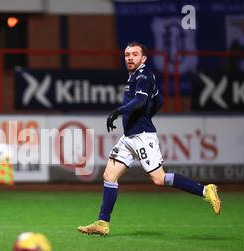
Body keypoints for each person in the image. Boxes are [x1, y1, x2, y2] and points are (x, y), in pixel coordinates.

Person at [77, 41, 221, 237]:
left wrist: (118, 112)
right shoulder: (135, 76)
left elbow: (140, 100)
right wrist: (146, 115)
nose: (130, 57)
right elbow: (159, 100)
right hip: (129, 137)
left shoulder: (144, 74)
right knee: (109, 176)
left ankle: (205, 190)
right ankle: (102, 223)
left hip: (143, 137)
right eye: (127, 54)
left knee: (159, 179)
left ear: (143, 58)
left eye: (135, 54)